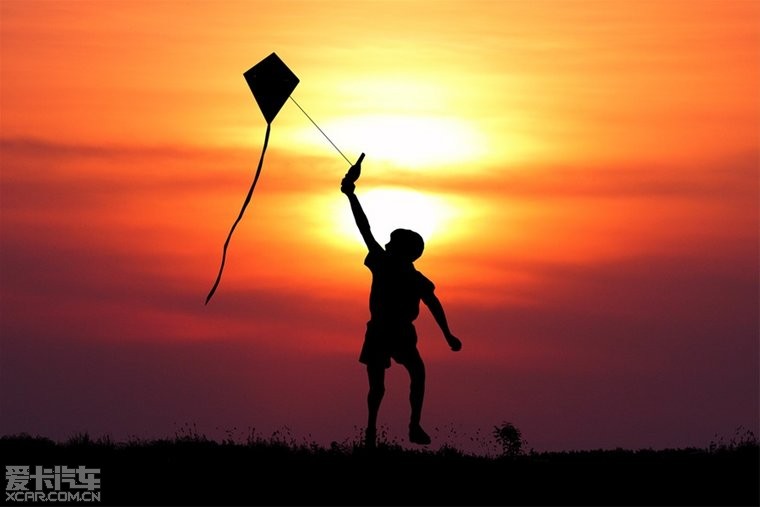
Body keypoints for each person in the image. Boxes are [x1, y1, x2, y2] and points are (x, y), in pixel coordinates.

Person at [340, 158, 462, 448]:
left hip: (395, 331)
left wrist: (448, 334)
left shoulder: (393, 267)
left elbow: (433, 304)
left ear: (404, 251)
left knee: (405, 377)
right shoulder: (393, 267)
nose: (386, 244)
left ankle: (403, 427)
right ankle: (380, 431)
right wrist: (350, 194)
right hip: (383, 329)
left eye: (392, 242)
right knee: (387, 383)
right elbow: (364, 228)